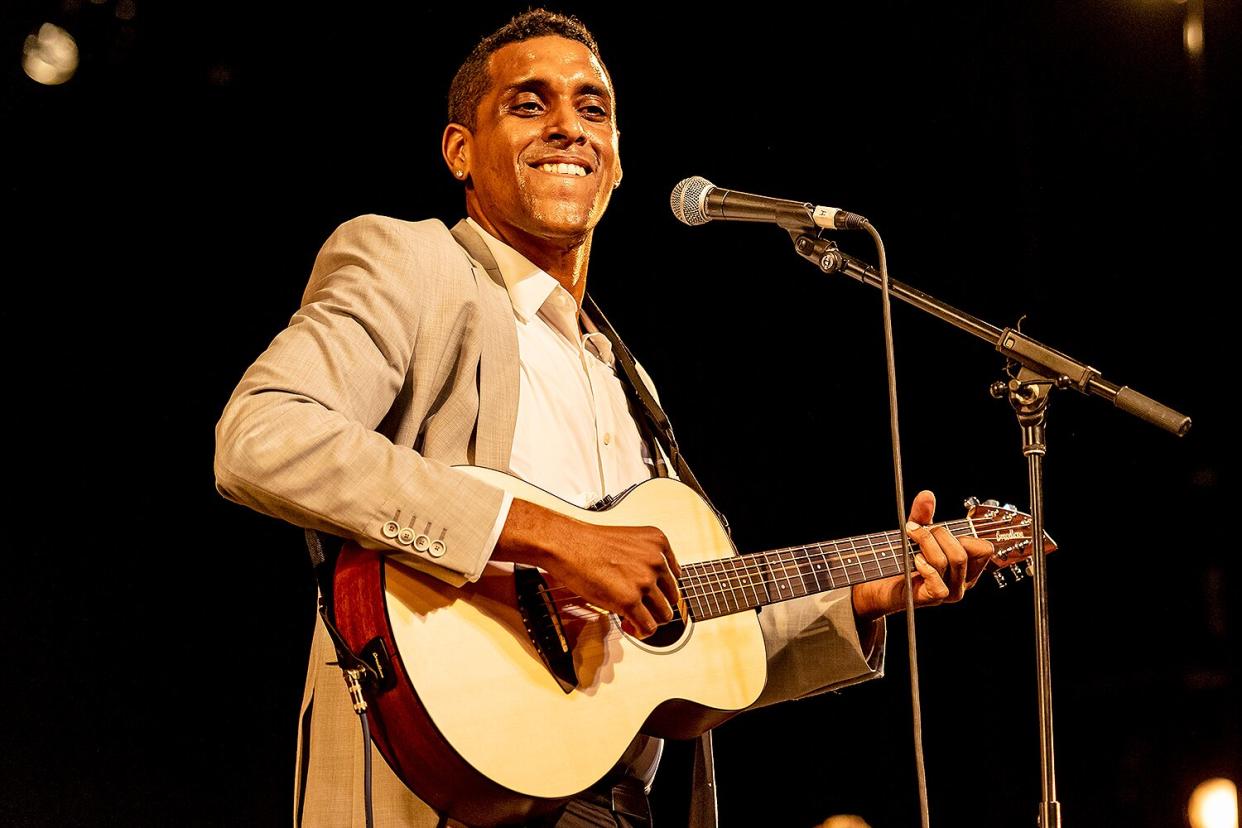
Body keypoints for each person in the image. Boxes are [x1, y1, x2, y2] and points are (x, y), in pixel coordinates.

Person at [213, 9, 995, 827]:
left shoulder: (629, 384)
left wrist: (861, 598)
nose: (568, 127)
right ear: (459, 151)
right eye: (528, 104)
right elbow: (264, 435)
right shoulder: (415, 265)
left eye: (594, 109)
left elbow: (683, 638)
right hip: (444, 781)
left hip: (616, 800)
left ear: (617, 161)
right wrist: (552, 536)